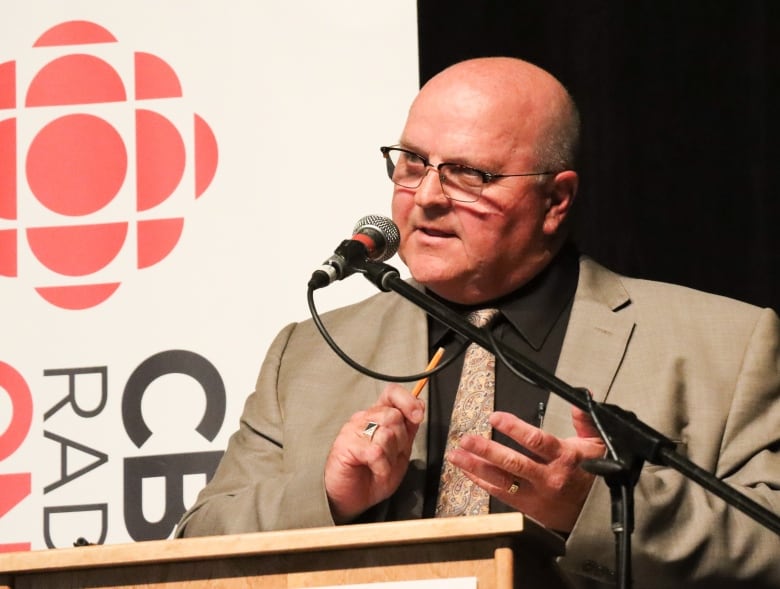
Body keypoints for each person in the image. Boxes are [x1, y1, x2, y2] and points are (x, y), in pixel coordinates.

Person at [175, 57, 780, 587]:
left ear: (557, 201)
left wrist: (590, 511)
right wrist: (329, 498)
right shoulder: (308, 354)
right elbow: (195, 548)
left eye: (470, 174)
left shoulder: (725, 345)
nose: (427, 197)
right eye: (412, 163)